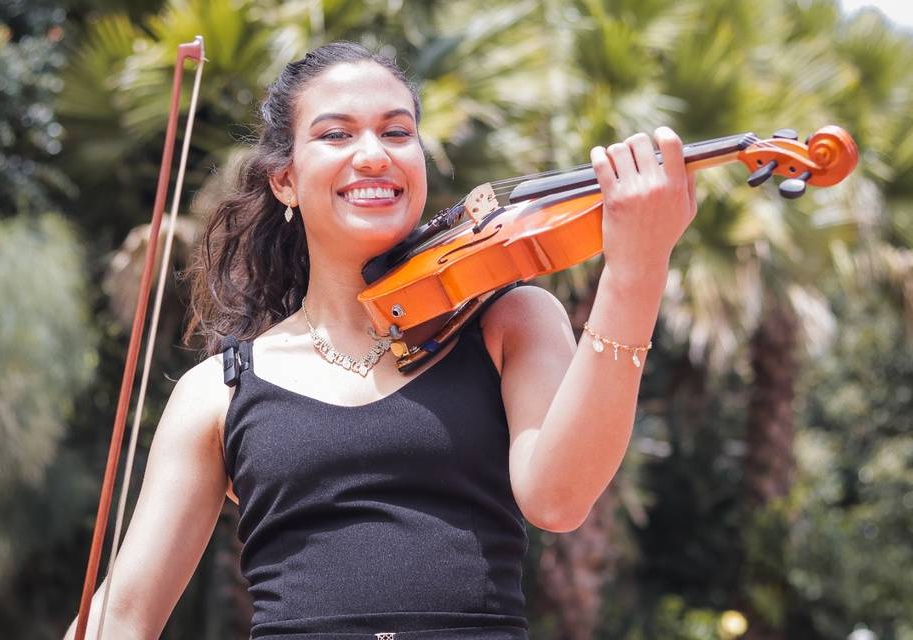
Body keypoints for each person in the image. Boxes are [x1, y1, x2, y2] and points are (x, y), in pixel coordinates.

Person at [65, 41, 696, 639]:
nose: (374, 154)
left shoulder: (512, 321)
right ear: (284, 180)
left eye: (397, 132)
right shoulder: (220, 390)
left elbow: (558, 500)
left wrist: (635, 271)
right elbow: (122, 618)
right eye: (336, 134)